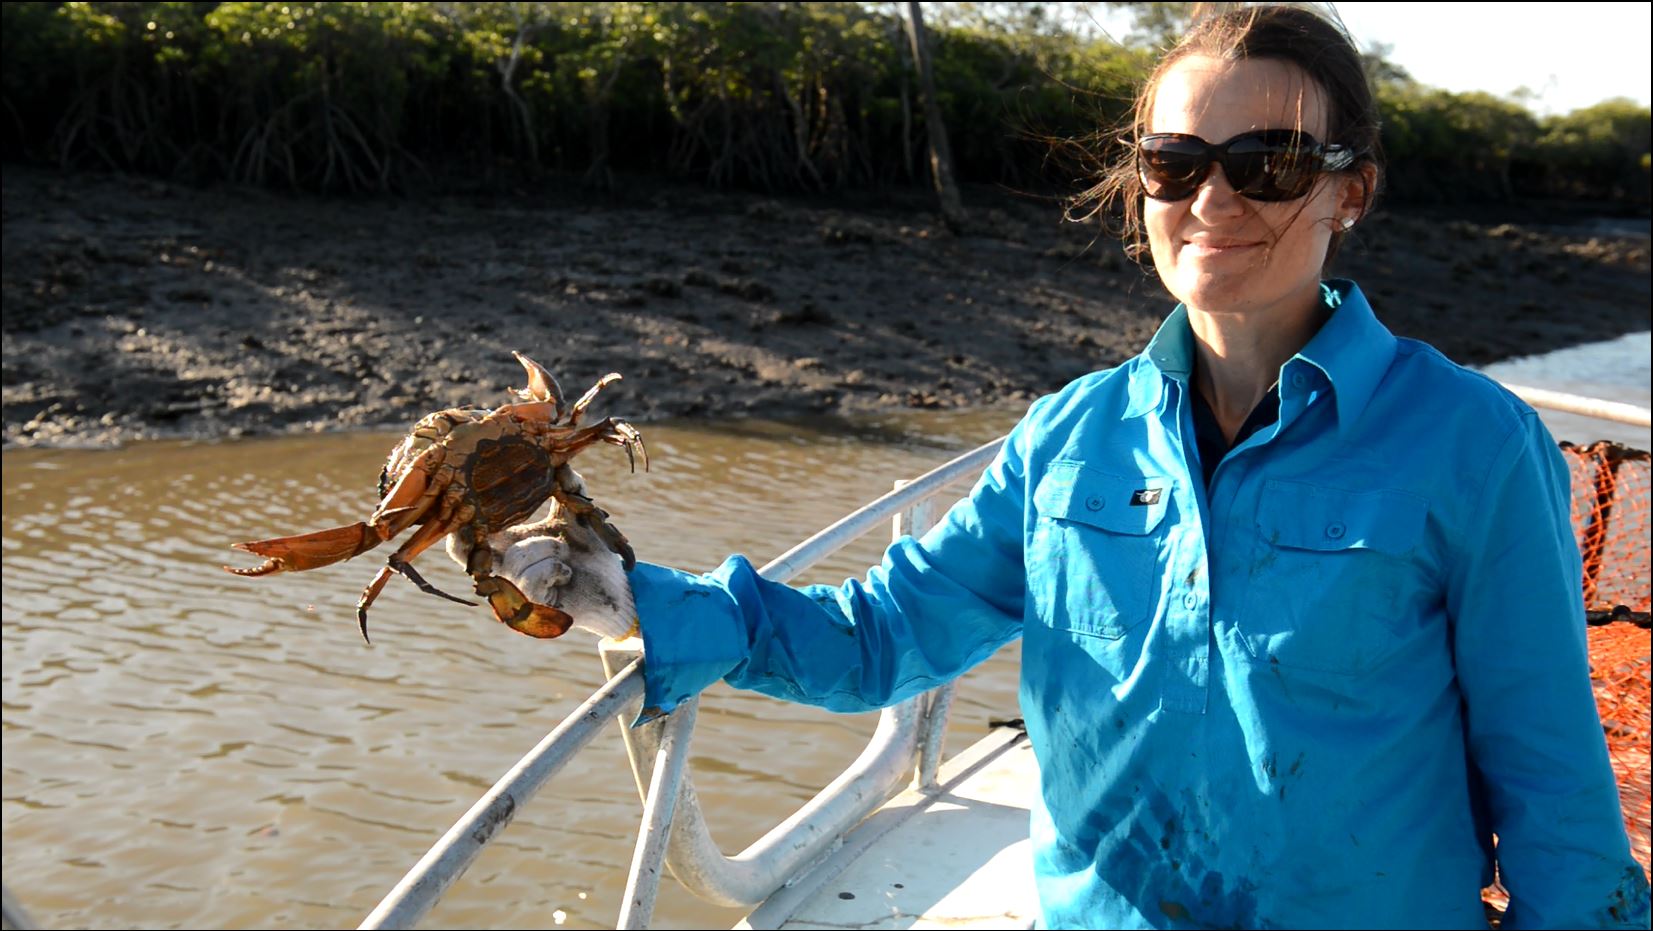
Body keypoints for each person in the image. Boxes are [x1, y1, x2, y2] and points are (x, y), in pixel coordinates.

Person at [469, 5, 1651, 928]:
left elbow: (1552, 789)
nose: (1213, 198)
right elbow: (884, 634)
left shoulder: (1475, 444)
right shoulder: (1067, 438)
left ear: (1353, 189)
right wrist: (639, 600)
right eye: (1176, 160)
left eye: (1272, 163)